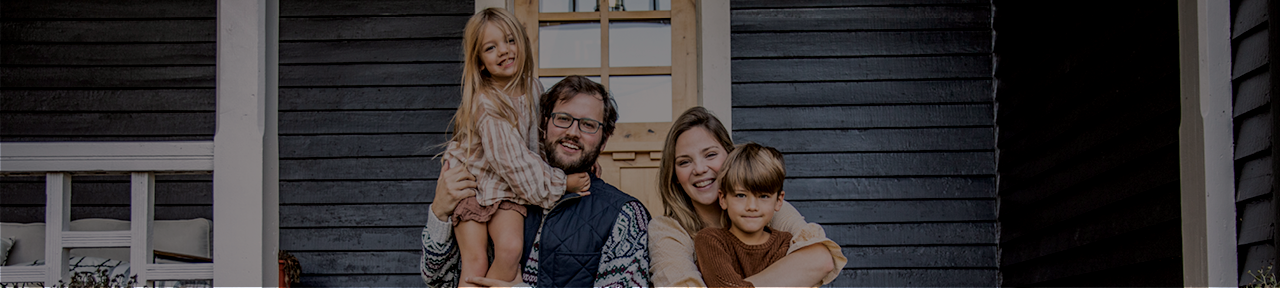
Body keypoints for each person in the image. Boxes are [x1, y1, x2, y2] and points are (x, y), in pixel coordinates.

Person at [422, 75, 652, 288]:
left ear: (604, 140)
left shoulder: (626, 216)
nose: (573, 132)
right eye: (563, 119)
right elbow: (438, 280)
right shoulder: (496, 191)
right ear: (543, 125)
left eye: (588, 125)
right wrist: (439, 214)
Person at [440, 7, 592, 284]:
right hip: (473, 185)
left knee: (510, 250)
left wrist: (576, 161)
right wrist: (562, 182)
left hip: (507, 189)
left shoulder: (534, 89)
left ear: (522, 43)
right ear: (481, 62)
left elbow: (542, 142)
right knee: (475, 260)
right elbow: (512, 162)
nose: (504, 51)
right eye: (490, 47)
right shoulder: (487, 104)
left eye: (510, 40)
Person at [649, 107, 848, 287]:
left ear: (730, 156)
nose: (700, 169)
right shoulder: (668, 230)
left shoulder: (764, 208)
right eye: (684, 162)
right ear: (674, 175)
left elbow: (819, 260)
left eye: (710, 155)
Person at [694, 143, 791, 288]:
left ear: (778, 201)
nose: (752, 206)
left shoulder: (785, 244)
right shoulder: (710, 241)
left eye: (763, 196)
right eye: (741, 195)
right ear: (723, 198)